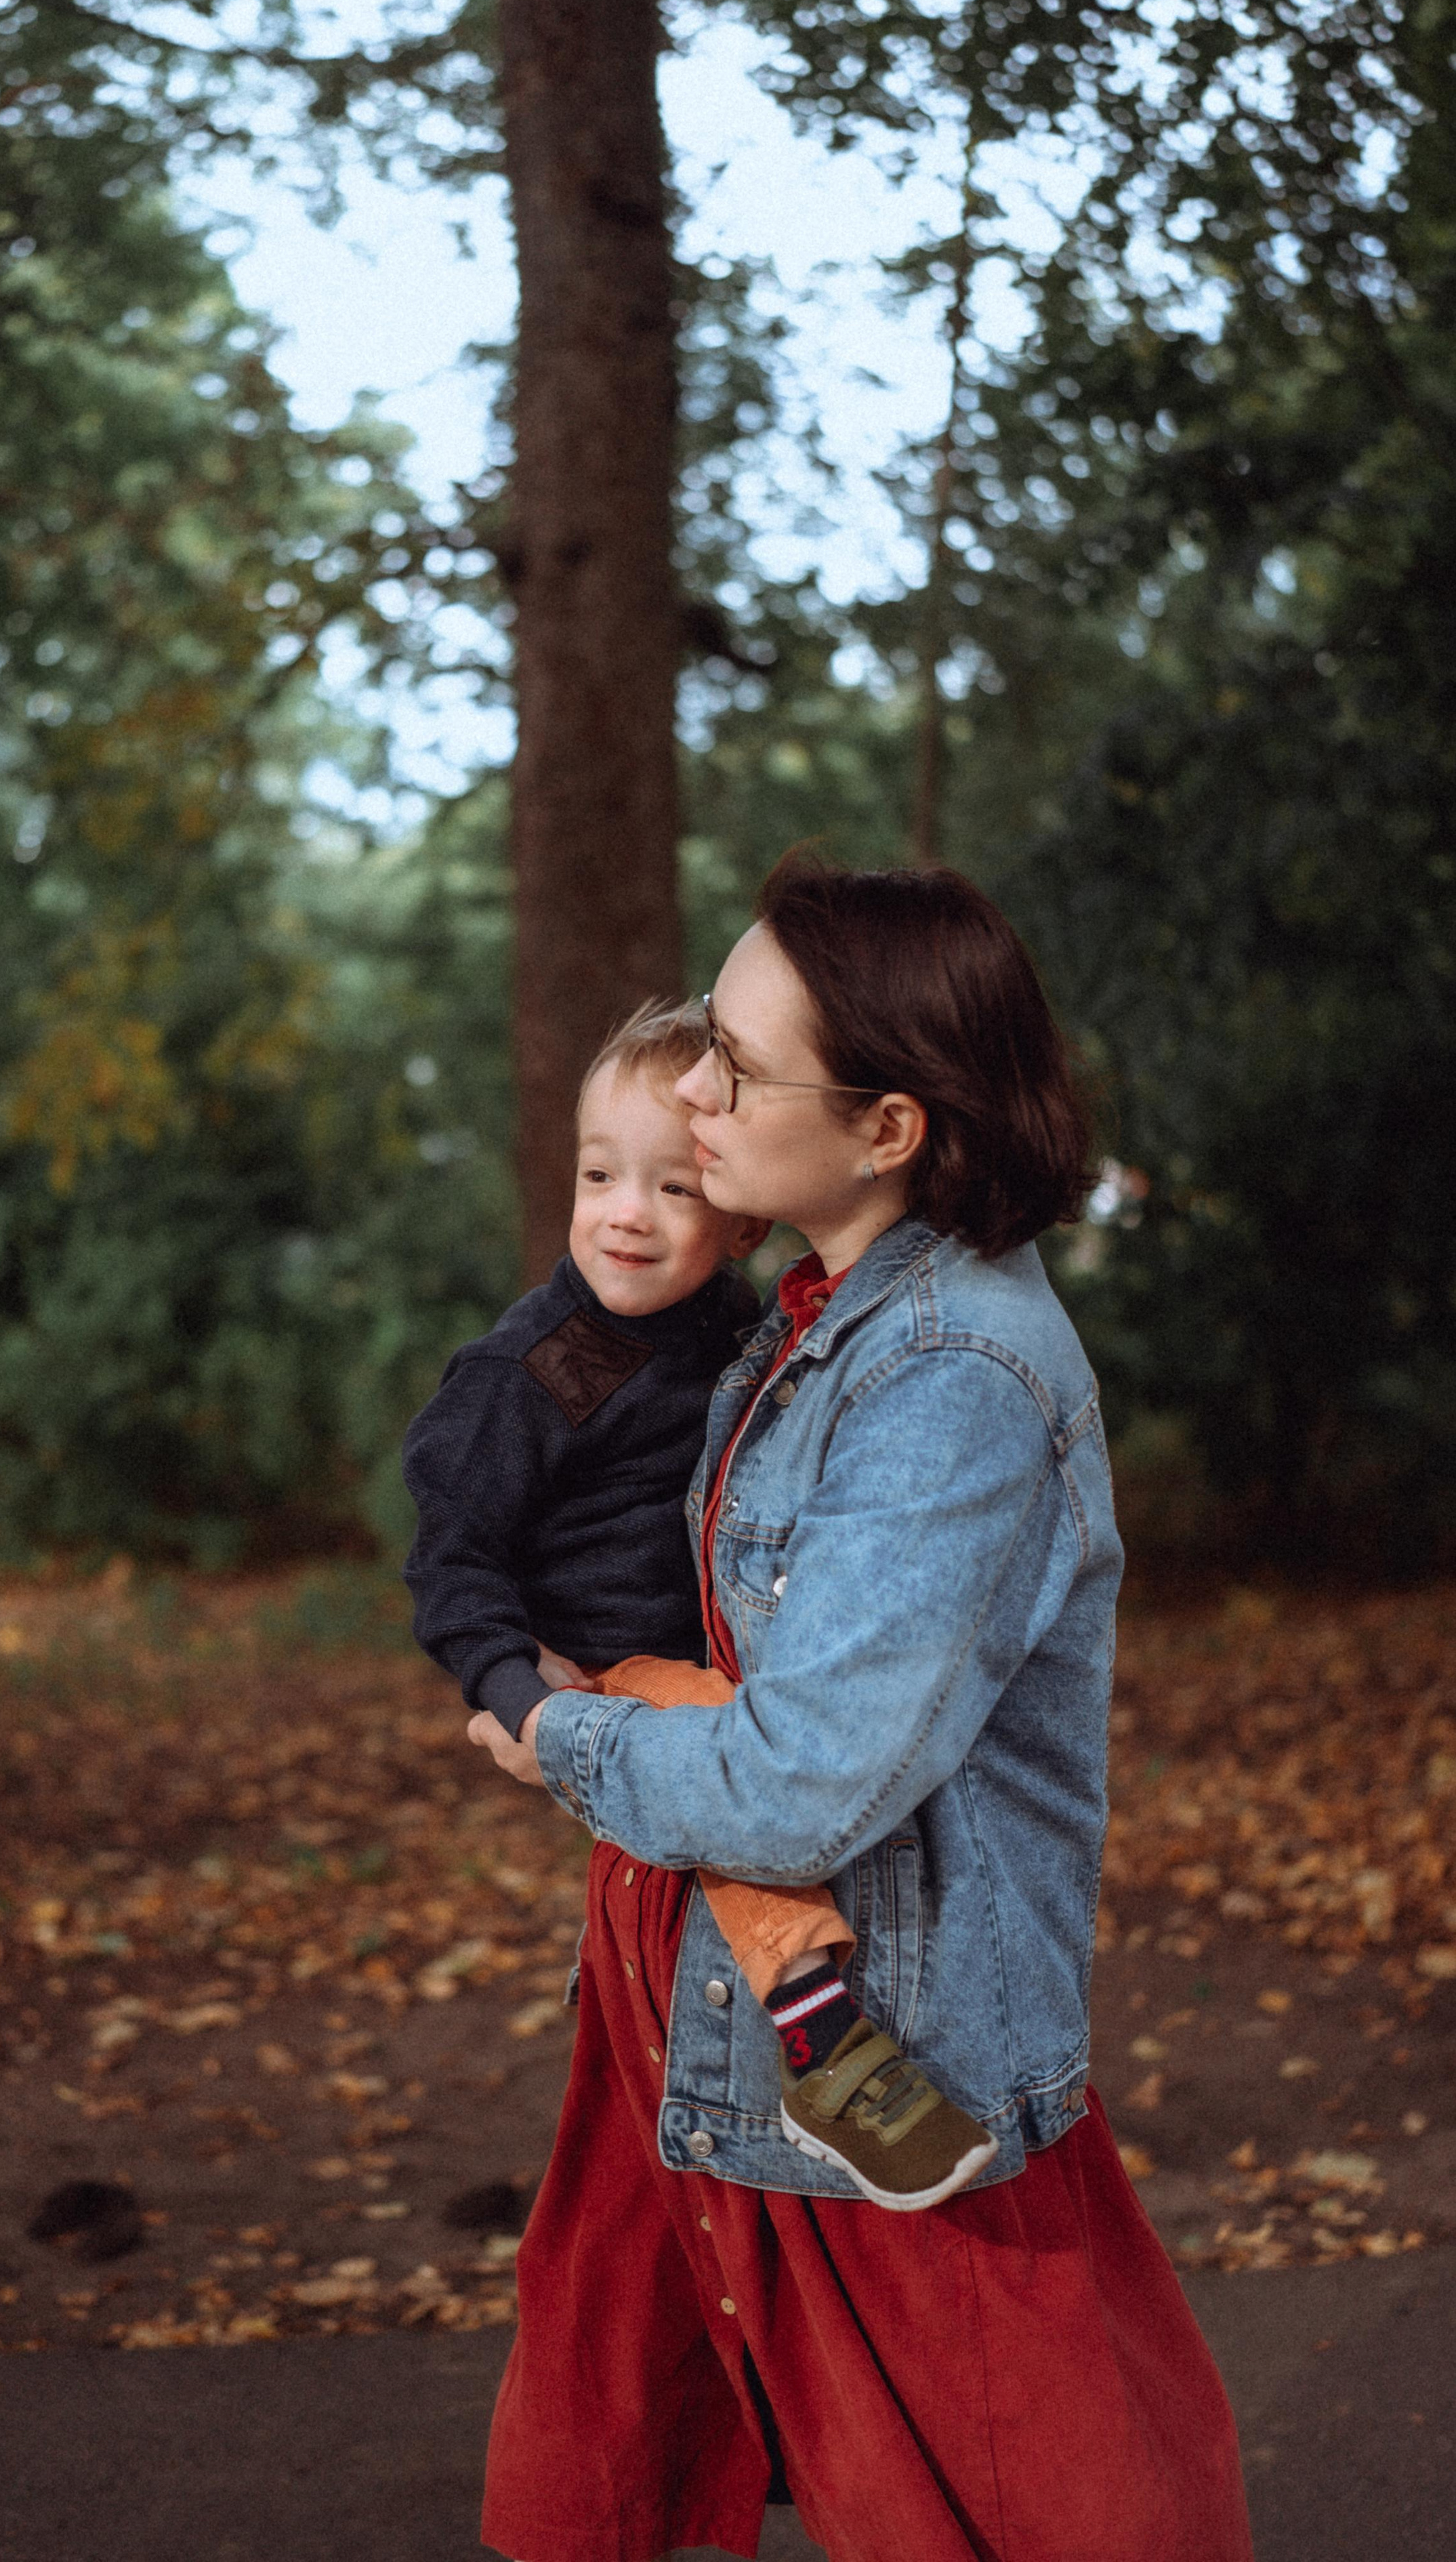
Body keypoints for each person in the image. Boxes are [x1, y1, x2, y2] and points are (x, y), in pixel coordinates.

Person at [467, 852, 1253, 2562]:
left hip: (876, 2052)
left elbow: (800, 1785)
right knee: (621, 2451)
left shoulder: (950, 1376)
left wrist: (560, 1736)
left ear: (888, 1126)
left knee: (1009, 2496)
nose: (691, 1088)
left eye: (736, 1067)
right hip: (700, 1990)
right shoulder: (804, 1319)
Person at [404, 1003, 994, 2206]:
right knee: (730, 1764)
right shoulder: (534, 1372)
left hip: (743, 1632)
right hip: (618, 1664)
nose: (626, 1213)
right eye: (599, 1176)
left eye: (672, 1189)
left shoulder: (743, 1325)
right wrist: (520, 1694)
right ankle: (823, 2042)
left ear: (738, 1221)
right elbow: (452, 1561)